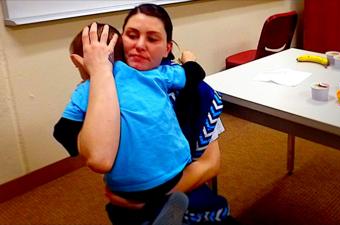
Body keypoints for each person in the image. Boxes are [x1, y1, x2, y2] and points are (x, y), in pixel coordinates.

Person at [54, 3, 233, 225]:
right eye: (132, 35)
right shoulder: (96, 93)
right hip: (133, 193)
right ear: (121, 44)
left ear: (168, 48)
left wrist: (149, 201)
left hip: (171, 188)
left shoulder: (191, 88)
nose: (140, 45)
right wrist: (100, 76)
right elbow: (93, 153)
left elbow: (210, 164)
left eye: (152, 38)